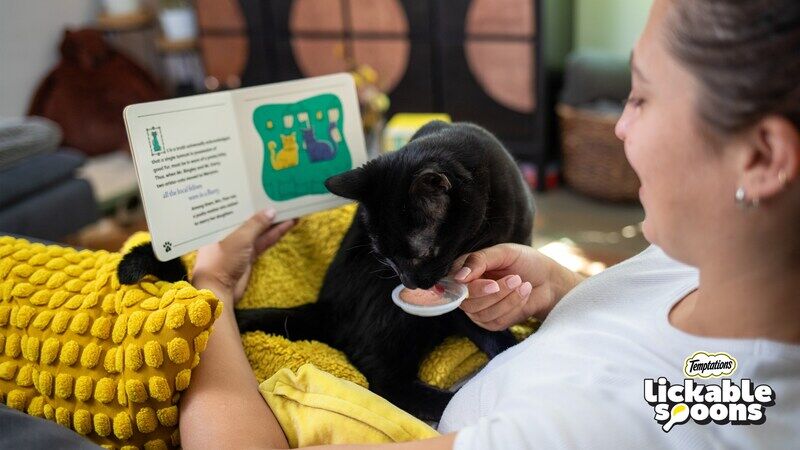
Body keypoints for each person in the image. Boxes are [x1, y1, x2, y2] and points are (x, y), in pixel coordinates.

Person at [181, 0, 800, 448]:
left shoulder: (603, 427)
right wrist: (561, 286)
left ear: (763, 158)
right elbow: (659, 338)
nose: (618, 126)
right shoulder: (722, 263)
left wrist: (213, 285)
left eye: (639, 96)